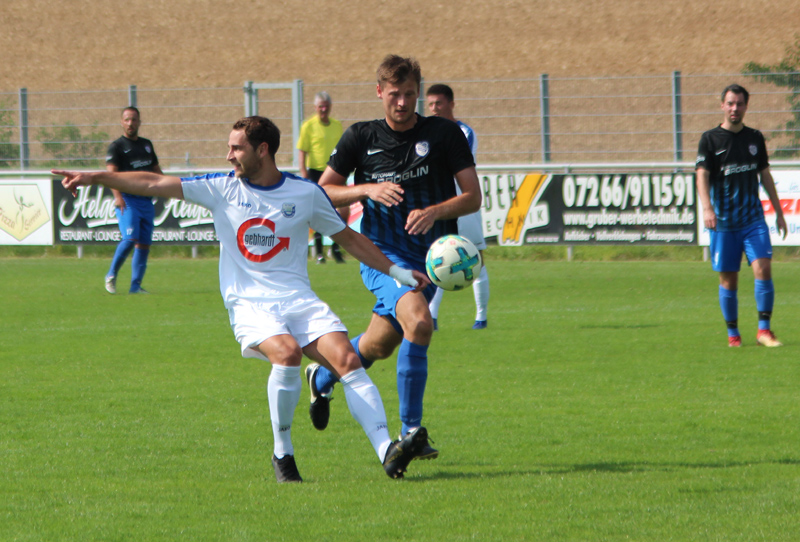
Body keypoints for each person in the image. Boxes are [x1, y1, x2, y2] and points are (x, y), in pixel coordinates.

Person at [55, 116, 434, 483]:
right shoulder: (222, 188)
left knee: (348, 360)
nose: (229, 156)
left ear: (263, 150)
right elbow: (153, 182)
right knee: (286, 352)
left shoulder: (305, 193)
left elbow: (350, 240)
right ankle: (283, 453)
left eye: (236, 148)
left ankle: (387, 450)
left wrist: (398, 273)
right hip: (250, 303)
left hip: (298, 299)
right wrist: (95, 177)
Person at [307, 55, 481, 460]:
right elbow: (323, 191)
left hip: (432, 260)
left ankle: (324, 377)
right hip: (381, 254)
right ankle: (410, 432)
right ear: (379, 92)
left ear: (417, 92)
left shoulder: (444, 134)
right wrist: (366, 189)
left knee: (379, 344)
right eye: (393, 94)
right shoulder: (360, 137)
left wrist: (436, 211)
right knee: (420, 323)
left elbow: (473, 197)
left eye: (408, 94)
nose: (401, 103)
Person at [696, 83, 787, 348]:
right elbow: (701, 175)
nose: (735, 108)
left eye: (740, 104)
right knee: (729, 279)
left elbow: (765, 175)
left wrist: (779, 212)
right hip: (724, 222)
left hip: (753, 220)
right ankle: (733, 335)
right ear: (722, 105)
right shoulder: (710, 139)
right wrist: (707, 208)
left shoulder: (755, 138)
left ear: (746, 106)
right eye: (730, 103)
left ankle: (764, 331)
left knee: (764, 268)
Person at [425, 83, 490, 330]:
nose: (434, 109)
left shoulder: (464, 132)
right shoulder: (425, 131)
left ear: (451, 104)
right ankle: (431, 318)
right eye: (430, 104)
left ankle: (481, 318)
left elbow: (453, 164)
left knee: (476, 259)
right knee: (437, 258)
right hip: (438, 205)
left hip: (463, 204)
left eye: (439, 103)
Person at [104, 106, 163, 294]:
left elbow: (156, 171)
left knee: (144, 244)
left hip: (146, 201)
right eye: (127, 120)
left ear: (139, 122)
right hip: (128, 200)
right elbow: (111, 176)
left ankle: (135, 287)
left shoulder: (146, 145)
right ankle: (111, 275)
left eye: (134, 120)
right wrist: (117, 197)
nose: (131, 123)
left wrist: (172, 187)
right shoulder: (117, 147)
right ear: (121, 122)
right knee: (129, 238)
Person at [297, 91, 347, 264]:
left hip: (335, 171)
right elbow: (302, 150)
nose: (323, 109)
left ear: (330, 107)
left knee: (344, 209)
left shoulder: (337, 125)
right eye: (320, 107)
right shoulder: (308, 126)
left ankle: (336, 247)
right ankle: (319, 252)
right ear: (315, 108)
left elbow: (343, 150)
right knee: (316, 211)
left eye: (326, 106)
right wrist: (303, 171)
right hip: (316, 172)